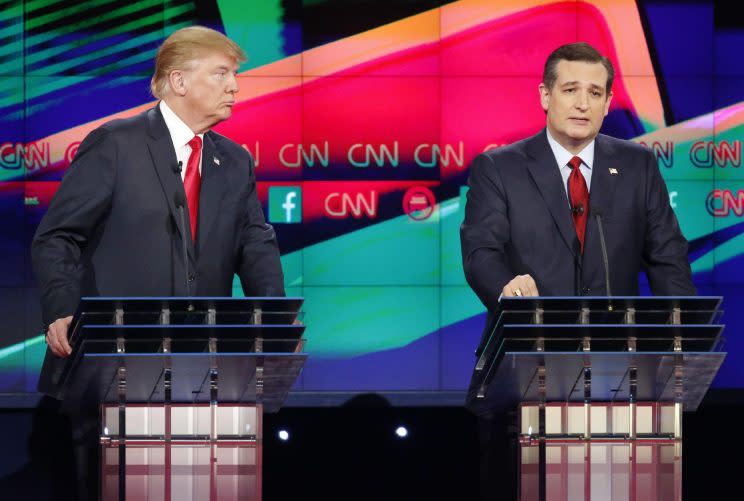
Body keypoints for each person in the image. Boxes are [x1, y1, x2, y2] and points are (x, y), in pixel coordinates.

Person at [30, 26, 285, 500]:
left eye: (235, 74)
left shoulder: (234, 160)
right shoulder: (116, 143)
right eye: (222, 73)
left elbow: (255, 245)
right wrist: (61, 308)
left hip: (207, 368)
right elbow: (57, 236)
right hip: (117, 363)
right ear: (178, 81)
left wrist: (269, 321)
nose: (235, 85)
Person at [460, 42, 695, 500]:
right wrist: (505, 286)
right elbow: (480, 252)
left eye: (595, 92)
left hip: (621, 384)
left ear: (609, 103)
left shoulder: (636, 165)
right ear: (546, 96)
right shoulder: (499, 167)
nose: (583, 103)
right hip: (527, 378)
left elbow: (668, 258)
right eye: (570, 89)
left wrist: (681, 336)